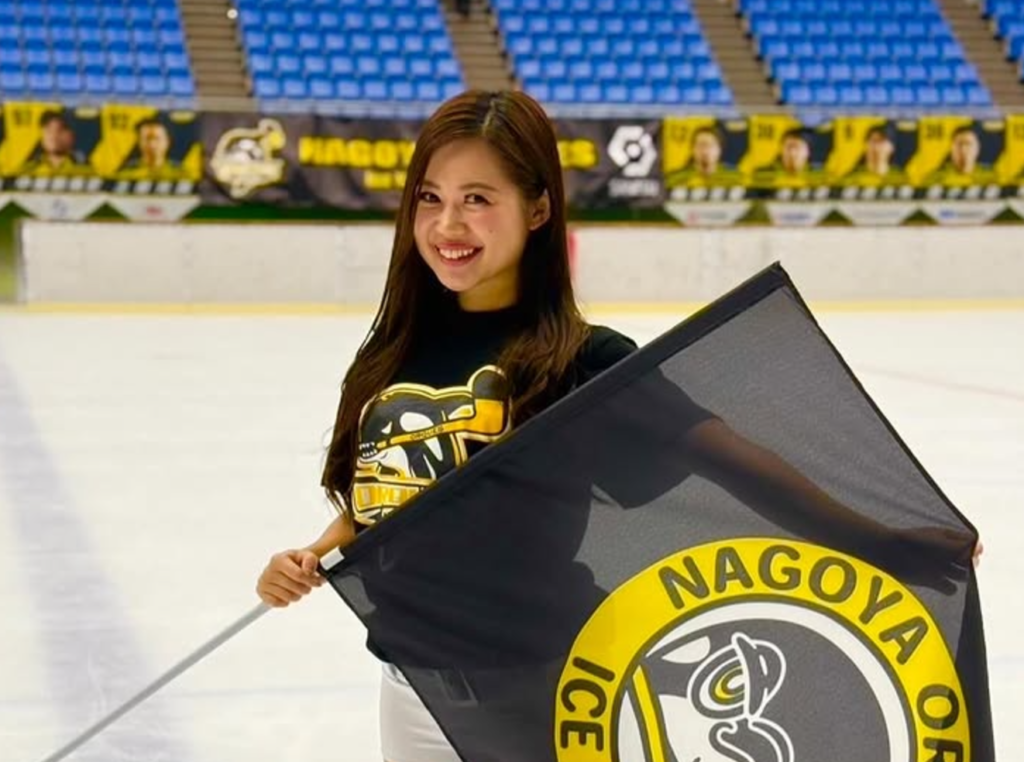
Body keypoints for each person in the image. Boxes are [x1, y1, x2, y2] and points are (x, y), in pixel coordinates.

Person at [256, 90, 981, 762]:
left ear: (538, 209)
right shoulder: (395, 350)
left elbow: (733, 461)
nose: (448, 225)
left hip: (537, 686)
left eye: (477, 198)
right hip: (409, 687)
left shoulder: (583, 362)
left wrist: (880, 544)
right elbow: (397, 490)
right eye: (430, 198)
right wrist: (313, 554)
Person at [665, 125, 744, 188]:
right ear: (692, 149)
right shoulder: (675, 179)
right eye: (701, 145)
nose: (705, 151)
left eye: (710, 145)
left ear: (719, 150)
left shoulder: (736, 178)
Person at [924, 124, 997, 187]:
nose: (963, 150)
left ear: (977, 148)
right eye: (959, 144)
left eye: (968, 144)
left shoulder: (990, 177)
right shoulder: (935, 178)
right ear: (951, 148)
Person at [838, 124, 909, 187]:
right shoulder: (852, 178)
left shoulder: (900, 178)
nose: (876, 147)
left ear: (890, 147)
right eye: (872, 141)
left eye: (881, 141)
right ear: (865, 146)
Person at [24, 110, 89, 175]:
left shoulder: (85, 167)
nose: (53, 135)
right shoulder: (29, 168)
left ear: (73, 135)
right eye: (48, 129)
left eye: (61, 129)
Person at [120, 118, 184, 180]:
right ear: (139, 141)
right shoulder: (126, 174)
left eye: (157, 138)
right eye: (147, 138)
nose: (152, 144)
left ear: (168, 141)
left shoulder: (180, 173)